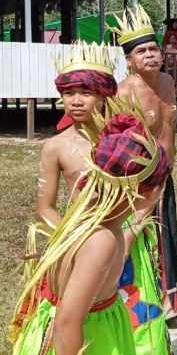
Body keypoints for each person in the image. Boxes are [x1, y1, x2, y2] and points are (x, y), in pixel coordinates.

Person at [4, 102, 169, 355]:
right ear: (146, 191)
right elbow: (68, 320)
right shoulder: (101, 239)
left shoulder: (89, 216)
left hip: (83, 332)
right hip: (86, 346)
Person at [111, 5, 177, 355]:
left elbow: (169, 130)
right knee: (138, 260)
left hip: (162, 178)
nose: (151, 55)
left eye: (154, 49)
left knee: (165, 246)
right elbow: (119, 149)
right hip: (134, 186)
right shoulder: (124, 93)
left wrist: (165, 176)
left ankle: (166, 305)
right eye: (142, 52)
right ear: (130, 61)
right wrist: (143, 190)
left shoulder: (167, 83)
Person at [37, 41, 118, 228]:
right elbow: (45, 209)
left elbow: (149, 193)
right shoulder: (56, 147)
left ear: (104, 97)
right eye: (68, 93)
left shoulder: (125, 139)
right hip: (82, 234)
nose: (76, 101)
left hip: (128, 239)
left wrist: (129, 237)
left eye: (86, 93)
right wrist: (69, 241)